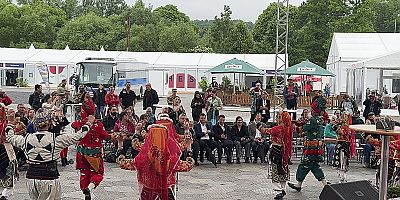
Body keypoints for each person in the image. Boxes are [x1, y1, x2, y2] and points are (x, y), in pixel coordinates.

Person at [6, 108, 91, 200]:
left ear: (35, 124)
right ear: (50, 123)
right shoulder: (56, 139)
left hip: (31, 179)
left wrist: (10, 123)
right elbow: (78, 136)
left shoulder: (26, 139)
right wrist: (88, 123)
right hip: (49, 177)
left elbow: (10, 137)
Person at [118, 116, 194, 200]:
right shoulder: (170, 158)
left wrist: (120, 145)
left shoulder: (144, 157)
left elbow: (125, 163)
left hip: (147, 193)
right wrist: (189, 149)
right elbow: (187, 165)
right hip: (165, 192)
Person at [71, 95, 108, 200]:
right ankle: (90, 187)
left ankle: (85, 190)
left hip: (81, 153)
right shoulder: (98, 125)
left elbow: (73, 125)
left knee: (84, 172)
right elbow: (106, 136)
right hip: (94, 153)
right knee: (98, 173)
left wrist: (81, 119)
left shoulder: (80, 123)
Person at [288, 101, 328, 192]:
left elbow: (304, 128)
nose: (311, 111)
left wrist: (295, 126)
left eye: (312, 109)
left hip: (311, 147)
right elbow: (311, 130)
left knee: (304, 165)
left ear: (314, 110)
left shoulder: (313, 120)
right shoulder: (320, 119)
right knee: (314, 166)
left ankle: (298, 184)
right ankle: (324, 183)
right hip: (317, 146)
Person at [257, 111, 293, 200]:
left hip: (276, 150)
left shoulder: (278, 128)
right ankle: (283, 188)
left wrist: (258, 124)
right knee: (283, 169)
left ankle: (279, 190)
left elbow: (265, 131)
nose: (278, 118)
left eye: (279, 117)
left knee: (275, 170)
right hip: (285, 152)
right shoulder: (289, 128)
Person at [332, 113, 354, 183]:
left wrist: (336, 127)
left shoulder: (345, 126)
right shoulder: (342, 125)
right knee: (340, 159)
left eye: (343, 117)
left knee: (343, 160)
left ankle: (343, 175)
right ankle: (342, 175)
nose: (341, 118)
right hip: (340, 144)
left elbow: (342, 133)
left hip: (343, 144)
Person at [0, 103, 16, 200]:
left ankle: (5, 193)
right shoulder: (6, 124)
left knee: (9, 170)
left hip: (6, 148)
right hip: (5, 148)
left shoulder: (6, 124)